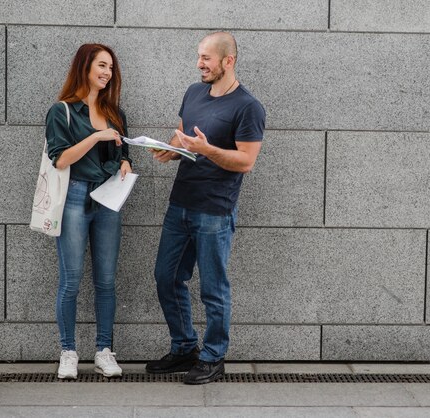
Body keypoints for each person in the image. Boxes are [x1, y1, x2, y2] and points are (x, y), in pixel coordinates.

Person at [146, 31, 265, 385]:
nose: (200, 64)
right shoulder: (194, 92)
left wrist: (207, 149)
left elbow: (245, 161)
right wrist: (169, 149)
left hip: (215, 210)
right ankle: (185, 347)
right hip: (180, 203)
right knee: (166, 277)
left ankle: (213, 357)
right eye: (199, 57)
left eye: (207, 58)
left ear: (228, 61)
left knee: (213, 287)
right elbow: (182, 134)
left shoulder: (248, 106)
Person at [45, 43, 132, 379]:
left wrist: (124, 161)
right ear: (84, 66)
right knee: (70, 281)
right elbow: (62, 158)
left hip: (109, 199)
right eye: (101, 65)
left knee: (106, 282)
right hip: (75, 197)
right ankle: (68, 351)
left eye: (110, 67)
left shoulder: (115, 113)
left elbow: (123, 153)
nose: (107, 73)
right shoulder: (62, 111)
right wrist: (97, 138)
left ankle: (103, 350)